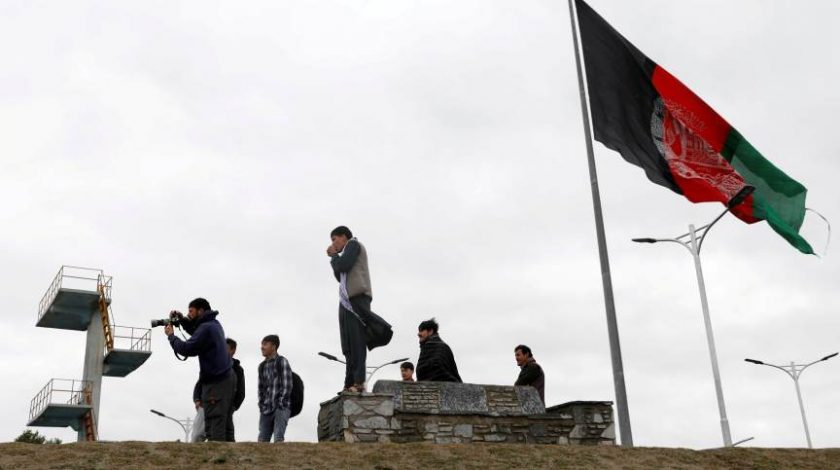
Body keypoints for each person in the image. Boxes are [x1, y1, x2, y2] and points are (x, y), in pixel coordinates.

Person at [327, 225, 392, 393]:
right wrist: (335, 258)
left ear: (343, 237)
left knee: (357, 341)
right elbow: (339, 275)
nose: (334, 244)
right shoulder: (345, 252)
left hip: (357, 297)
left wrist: (334, 255)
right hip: (346, 300)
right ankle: (349, 382)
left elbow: (343, 265)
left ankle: (359, 381)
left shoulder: (353, 245)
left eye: (334, 239)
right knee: (348, 344)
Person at [165, 298, 235, 442]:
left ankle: (217, 461)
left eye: (191, 311)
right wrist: (183, 320)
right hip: (225, 379)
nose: (189, 314)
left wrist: (171, 337)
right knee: (224, 425)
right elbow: (197, 333)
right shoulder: (213, 324)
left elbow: (187, 348)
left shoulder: (206, 328)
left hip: (216, 382)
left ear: (201, 311)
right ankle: (227, 460)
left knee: (214, 425)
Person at [191, 337, 245, 442]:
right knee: (198, 435)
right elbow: (200, 384)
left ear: (233, 350)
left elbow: (241, 392)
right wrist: (197, 399)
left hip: (225, 406)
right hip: (205, 404)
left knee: (222, 435)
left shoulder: (237, 369)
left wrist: (233, 406)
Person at [257, 334, 293, 443]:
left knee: (278, 439)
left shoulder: (282, 361)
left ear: (274, 346)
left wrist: (281, 402)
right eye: (262, 344)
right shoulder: (262, 366)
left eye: (265, 344)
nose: (262, 347)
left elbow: (287, 385)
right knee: (262, 441)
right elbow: (261, 388)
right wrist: (262, 405)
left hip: (280, 407)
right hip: (266, 409)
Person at [415, 318, 462, 383]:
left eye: (421, 330)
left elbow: (424, 372)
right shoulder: (445, 347)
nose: (419, 334)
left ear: (430, 331)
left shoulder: (430, 346)